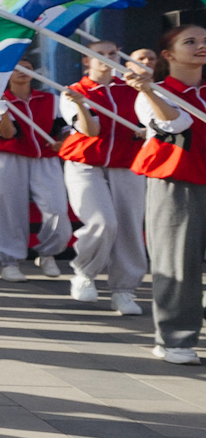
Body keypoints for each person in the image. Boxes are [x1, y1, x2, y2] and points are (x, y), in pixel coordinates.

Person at [123, 24, 206, 365]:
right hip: (177, 183)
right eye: (191, 41)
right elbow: (177, 125)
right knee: (178, 263)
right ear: (168, 54)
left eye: (205, 40)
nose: (201, 46)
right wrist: (151, 92)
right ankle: (175, 339)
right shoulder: (152, 94)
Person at [59, 41, 147, 315]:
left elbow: (151, 122)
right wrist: (81, 106)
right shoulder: (74, 91)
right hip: (85, 163)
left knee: (130, 227)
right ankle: (84, 273)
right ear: (86, 60)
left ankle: (124, 291)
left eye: (112, 54)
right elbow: (91, 131)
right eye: (99, 54)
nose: (107, 58)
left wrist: (147, 128)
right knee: (102, 222)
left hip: (127, 162)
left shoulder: (132, 89)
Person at [0, 68, 70, 283]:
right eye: (16, 69)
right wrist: (2, 110)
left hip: (45, 156)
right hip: (8, 156)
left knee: (57, 207)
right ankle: (10, 262)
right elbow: (7, 134)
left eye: (27, 68)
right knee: (8, 209)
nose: (22, 72)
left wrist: (64, 142)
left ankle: (48, 253)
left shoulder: (51, 100)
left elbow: (65, 129)